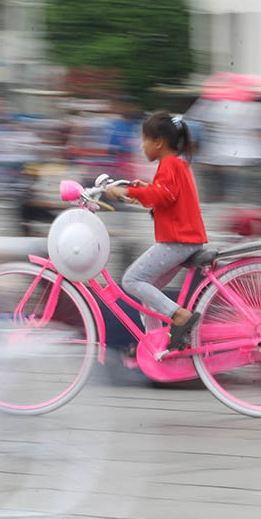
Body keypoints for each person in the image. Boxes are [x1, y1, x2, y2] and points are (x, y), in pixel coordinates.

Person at [105, 112, 207, 350]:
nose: (141, 147)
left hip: (178, 242)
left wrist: (128, 192)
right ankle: (155, 345)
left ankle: (179, 315)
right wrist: (145, 190)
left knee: (131, 280)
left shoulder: (169, 164)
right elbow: (165, 196)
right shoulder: (176, 164)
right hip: (183, 240)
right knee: (148, 289)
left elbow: (163, 195)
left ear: (159, 142)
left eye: (144, 140)